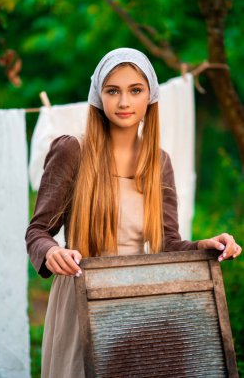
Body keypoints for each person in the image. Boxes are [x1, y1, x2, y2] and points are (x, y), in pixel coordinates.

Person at [25, 48, 242, 378]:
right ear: (99, 96)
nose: (124, 102)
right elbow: (37, 232)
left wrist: (202, 247)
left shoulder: (159, 162)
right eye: (113, 90)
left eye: (135, 90)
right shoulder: (73, 150)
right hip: (81, 295)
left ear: (150, 97)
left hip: (136, 301)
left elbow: (168, 244)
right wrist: (52, 250)